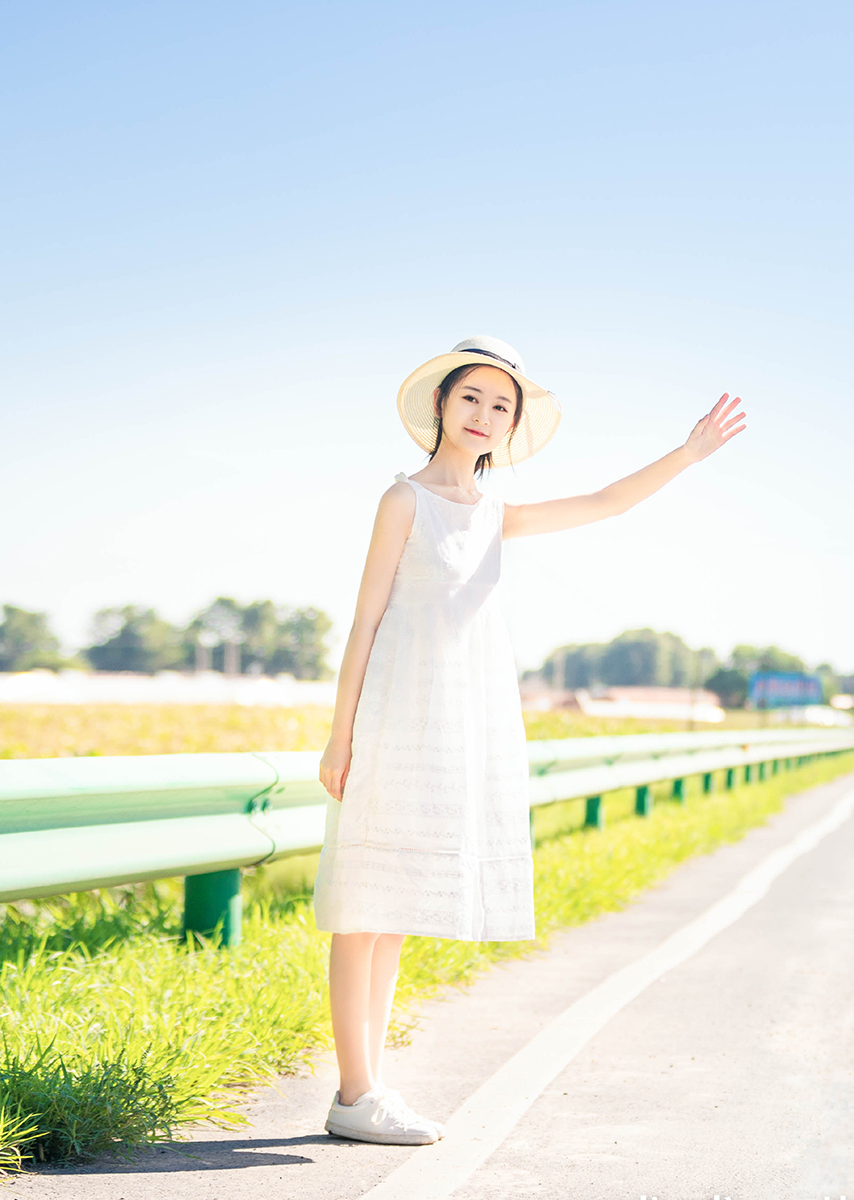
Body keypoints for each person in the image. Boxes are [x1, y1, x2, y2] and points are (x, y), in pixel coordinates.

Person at [310, 335, 746, 1144]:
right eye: (470, 397)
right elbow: (366, 621)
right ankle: (355, 1091)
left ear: (511, 426)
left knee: (395, 910)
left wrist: (687, 452)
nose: (484, 415)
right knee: (361, 909)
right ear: (440, 405)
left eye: (500, 405)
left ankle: (366, 1091)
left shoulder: (497, 516)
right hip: (392, 716)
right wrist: (340, 738)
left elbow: (609, 502)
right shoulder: (402, 499)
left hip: (455, 726)